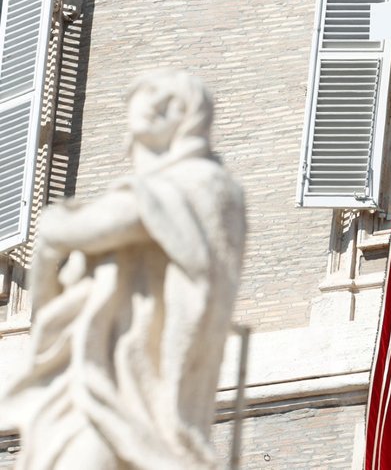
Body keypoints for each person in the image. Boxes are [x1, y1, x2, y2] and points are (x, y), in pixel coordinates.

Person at [0, 70, 246, 470]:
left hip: (139, 383)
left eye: (169, 100)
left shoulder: (205, 184)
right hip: (96, 374)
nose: (155, 105)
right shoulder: (155, 188)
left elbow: (99, 226)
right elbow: (53, 287)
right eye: (149, 96)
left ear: (188, 115)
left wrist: (56, 231)